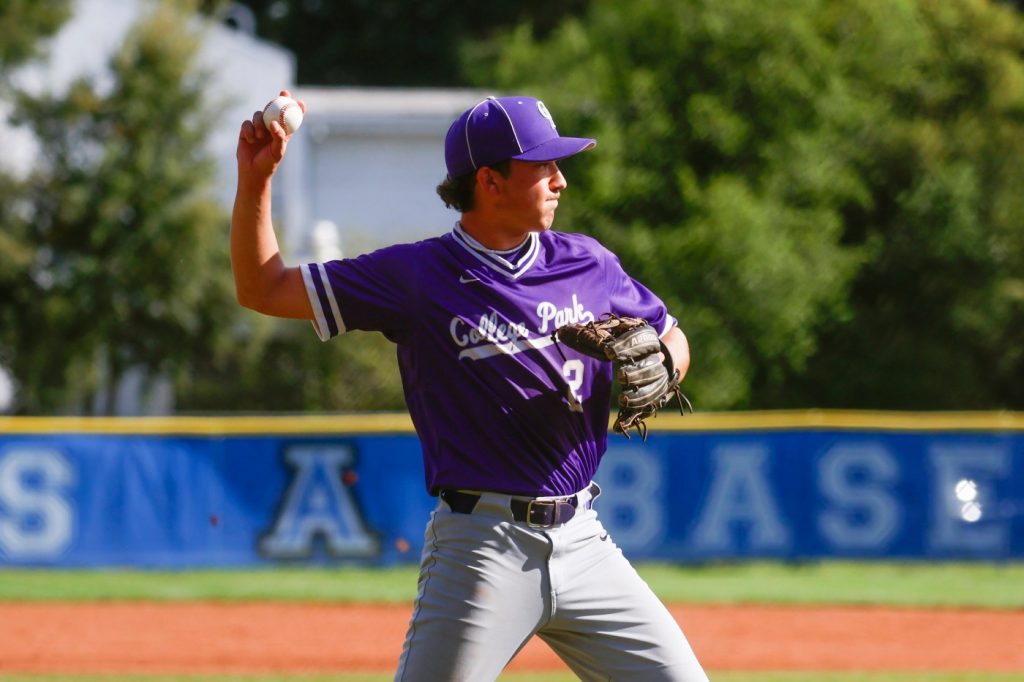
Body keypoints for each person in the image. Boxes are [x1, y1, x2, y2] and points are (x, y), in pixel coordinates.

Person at [232, 90, 708, 681]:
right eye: (544, 166)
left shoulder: (588, 261)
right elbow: (263, 288)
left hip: (585, 540)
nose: (560, 180)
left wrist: (664, 364)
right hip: (482, 548)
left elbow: (673, 335)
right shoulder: (415, 276)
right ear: (490, 181)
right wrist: (256, 181)